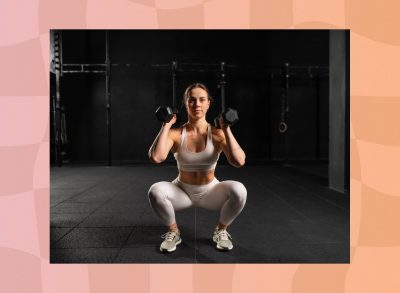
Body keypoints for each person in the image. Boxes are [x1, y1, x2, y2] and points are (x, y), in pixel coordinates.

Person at [148, 83, 247, 253]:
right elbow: (156, 157)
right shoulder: (176, 133)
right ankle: (174, 232)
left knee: (239, 190)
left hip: (211, 192)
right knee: (155, 191)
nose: (197, 104)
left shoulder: (217, 133)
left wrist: (226, 129)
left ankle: (221, 230)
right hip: (182, 192)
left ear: (208, 103)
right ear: (186, 103)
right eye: (192, 100)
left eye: (202, 100)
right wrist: (166, 125)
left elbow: (239, 161)